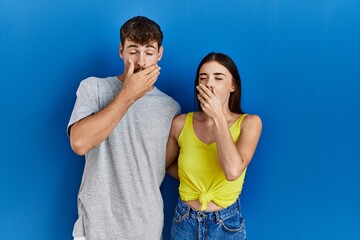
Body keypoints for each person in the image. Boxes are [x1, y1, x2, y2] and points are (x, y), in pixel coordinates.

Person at [67, 16, 180, 240]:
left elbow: (160, 166)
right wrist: (128, 94)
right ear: (121, 51)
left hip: (145, 228)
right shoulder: (94, 88)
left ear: (160, 54)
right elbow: (79, 144)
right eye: (133, 51)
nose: (141, 61)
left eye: (149, 52)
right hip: (94, 229)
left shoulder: (171, 108)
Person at [166, 52, 262, 239]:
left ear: (233, 85)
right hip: (183, 220)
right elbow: (165, 165)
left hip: (226, 224)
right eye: (203, 77)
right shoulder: (180, 123)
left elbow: (233, 171)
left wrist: (218, 116)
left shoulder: (250, 123)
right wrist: (193, 178)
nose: (209, 83)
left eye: (218, 77)